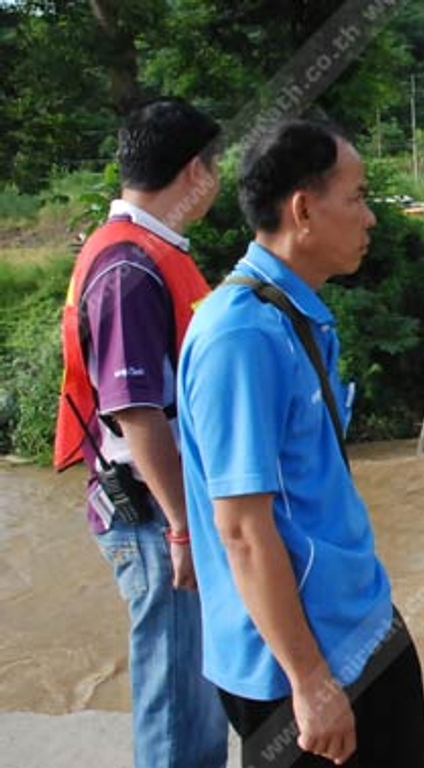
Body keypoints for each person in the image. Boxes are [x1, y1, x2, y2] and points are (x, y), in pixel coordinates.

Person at [177, 120, 424, 767]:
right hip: (300, 666)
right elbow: (241, 530)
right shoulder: (242, 337)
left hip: (357, 624)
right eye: (358, 197)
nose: (370, 217)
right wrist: (311, 683)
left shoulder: (295, 316)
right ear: (303, 209)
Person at [52, 97, 228, 767]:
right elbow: (135, 411)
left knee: (194, 686)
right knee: (178, 697)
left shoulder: (138, 253)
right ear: (194, 172)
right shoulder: (128, 268)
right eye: (212, 167)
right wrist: (184, 527)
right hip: (154, 514)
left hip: (162, 509)